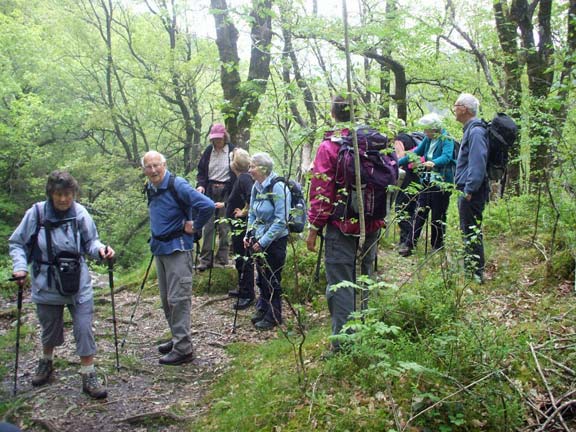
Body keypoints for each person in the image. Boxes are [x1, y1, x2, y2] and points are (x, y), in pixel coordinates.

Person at [9, 170, 115, 399]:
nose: (64, 199)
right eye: (59, 194)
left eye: (68, 194)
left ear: (74, 193)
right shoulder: (36, 214)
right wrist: (19, 267)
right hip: (45, 282)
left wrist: (101, 251)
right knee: (50, 327)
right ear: (51, 194)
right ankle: (46, 361)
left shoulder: (79, 213)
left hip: (78, 282)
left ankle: (89, 373)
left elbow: (91, 241)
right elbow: (18, 243)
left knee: (84, 327)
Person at [306, 95, 382, 354]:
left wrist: (314, 228)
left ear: (332, 113)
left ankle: (344, 345)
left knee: (340, 283)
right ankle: (367, 334)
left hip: (341, 225)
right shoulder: (371, 141)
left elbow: (321, 190)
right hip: (371, 223)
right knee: (365, 278)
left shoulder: (330, 146)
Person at [142, 151, 215, 365]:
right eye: (149, 167)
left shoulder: (178, 184)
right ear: (144, 169)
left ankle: (183, 348)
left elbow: (207, 205)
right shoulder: (151, 187)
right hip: (160, 248)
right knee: (166, 300)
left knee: (178, 299)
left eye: (157, 165)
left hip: (178, 248)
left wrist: (195, 226)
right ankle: (177, 338)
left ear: (164, 164)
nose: (153, 170)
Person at [397, 114, 455, 256]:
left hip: (441, 183)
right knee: (420, 211)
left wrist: (434, 162)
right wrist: (396, 163)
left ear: (435, 129)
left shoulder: (446, 139)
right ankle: (409, 245)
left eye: (427, 130)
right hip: (427, 181)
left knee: (438, 215)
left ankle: (437, 246)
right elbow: (416, 153)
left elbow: (447, 157)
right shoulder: (428, 139)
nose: (425, 133)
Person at [244, 152, 290, 330]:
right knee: (261, 277)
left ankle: (274, 315)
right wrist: (249, 234)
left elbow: (281, 220)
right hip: (259, 237)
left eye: (253, 167)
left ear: (263, 168)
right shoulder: (257, 186)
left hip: (276, 240)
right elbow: (252, 213)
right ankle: (263, 308)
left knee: (272, 277)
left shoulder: (278, 187)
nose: (250, 170)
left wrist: (263, 241)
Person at [453, 93, 489, 283]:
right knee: (468, 230)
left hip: (471, 192)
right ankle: (471, 270)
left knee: (471, 230)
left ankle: (475, 274)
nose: (454, 109)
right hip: (468, 189)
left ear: (464, 109)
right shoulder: (471, 129)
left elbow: (478, 161)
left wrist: (469, 189)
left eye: (456, 105)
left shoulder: (475, 131)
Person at [195, 123, 236, 270]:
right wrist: (201, 185)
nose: (218, 141)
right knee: (208, 225)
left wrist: (234, 194)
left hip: (227, 190)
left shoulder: (232, 151)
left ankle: (222, 258)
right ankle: (205, 260)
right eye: (215, 139)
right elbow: (201, 172)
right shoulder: (208, 151)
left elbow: (237, 173)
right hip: (210, 191)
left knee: (224, 226)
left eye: (220, 138)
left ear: (225, 137)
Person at [223, 148, 255, 309]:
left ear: (234, 164)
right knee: (239, 258)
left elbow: (251, 197)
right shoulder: (242, 178)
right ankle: (242, 288)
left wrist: (244, 211)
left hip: (242, 228)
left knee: (244, 259)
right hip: (238, 227)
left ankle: (248, 293)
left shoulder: (244, 178)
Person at [393, 133, 420, 251]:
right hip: (417, 177)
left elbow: (400, 157)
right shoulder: (412, 138)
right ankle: (406, 240)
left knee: (401, 209)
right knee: (412, 209)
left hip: (405, 178)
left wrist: (391, 165)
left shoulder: (399, 139)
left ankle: (408, 239)